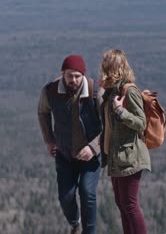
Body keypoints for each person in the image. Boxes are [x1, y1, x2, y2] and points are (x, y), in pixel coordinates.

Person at [38, 54, 102, 234]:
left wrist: (93, 148)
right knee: (66, 197)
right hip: (65, 154)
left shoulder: (95, 91)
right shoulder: (51, 91)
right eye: (69, 75)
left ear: (83, 75)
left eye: (76, 76)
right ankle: (75, 223)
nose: (73, 79)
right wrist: (49, 140)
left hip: (91, 155)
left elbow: (110, 126)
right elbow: (43, 112)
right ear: (62, 74)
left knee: (87, 192)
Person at [99, 49, 151, 234]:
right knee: (121, 204)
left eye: (108, 67)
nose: (104, 71)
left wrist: (122, 112)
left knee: (129, 204)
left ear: (118, 69)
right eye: (104, 67)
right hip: (116, 155)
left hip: (130, 155)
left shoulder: (129, 91)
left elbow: (141, 122)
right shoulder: (110, 92)